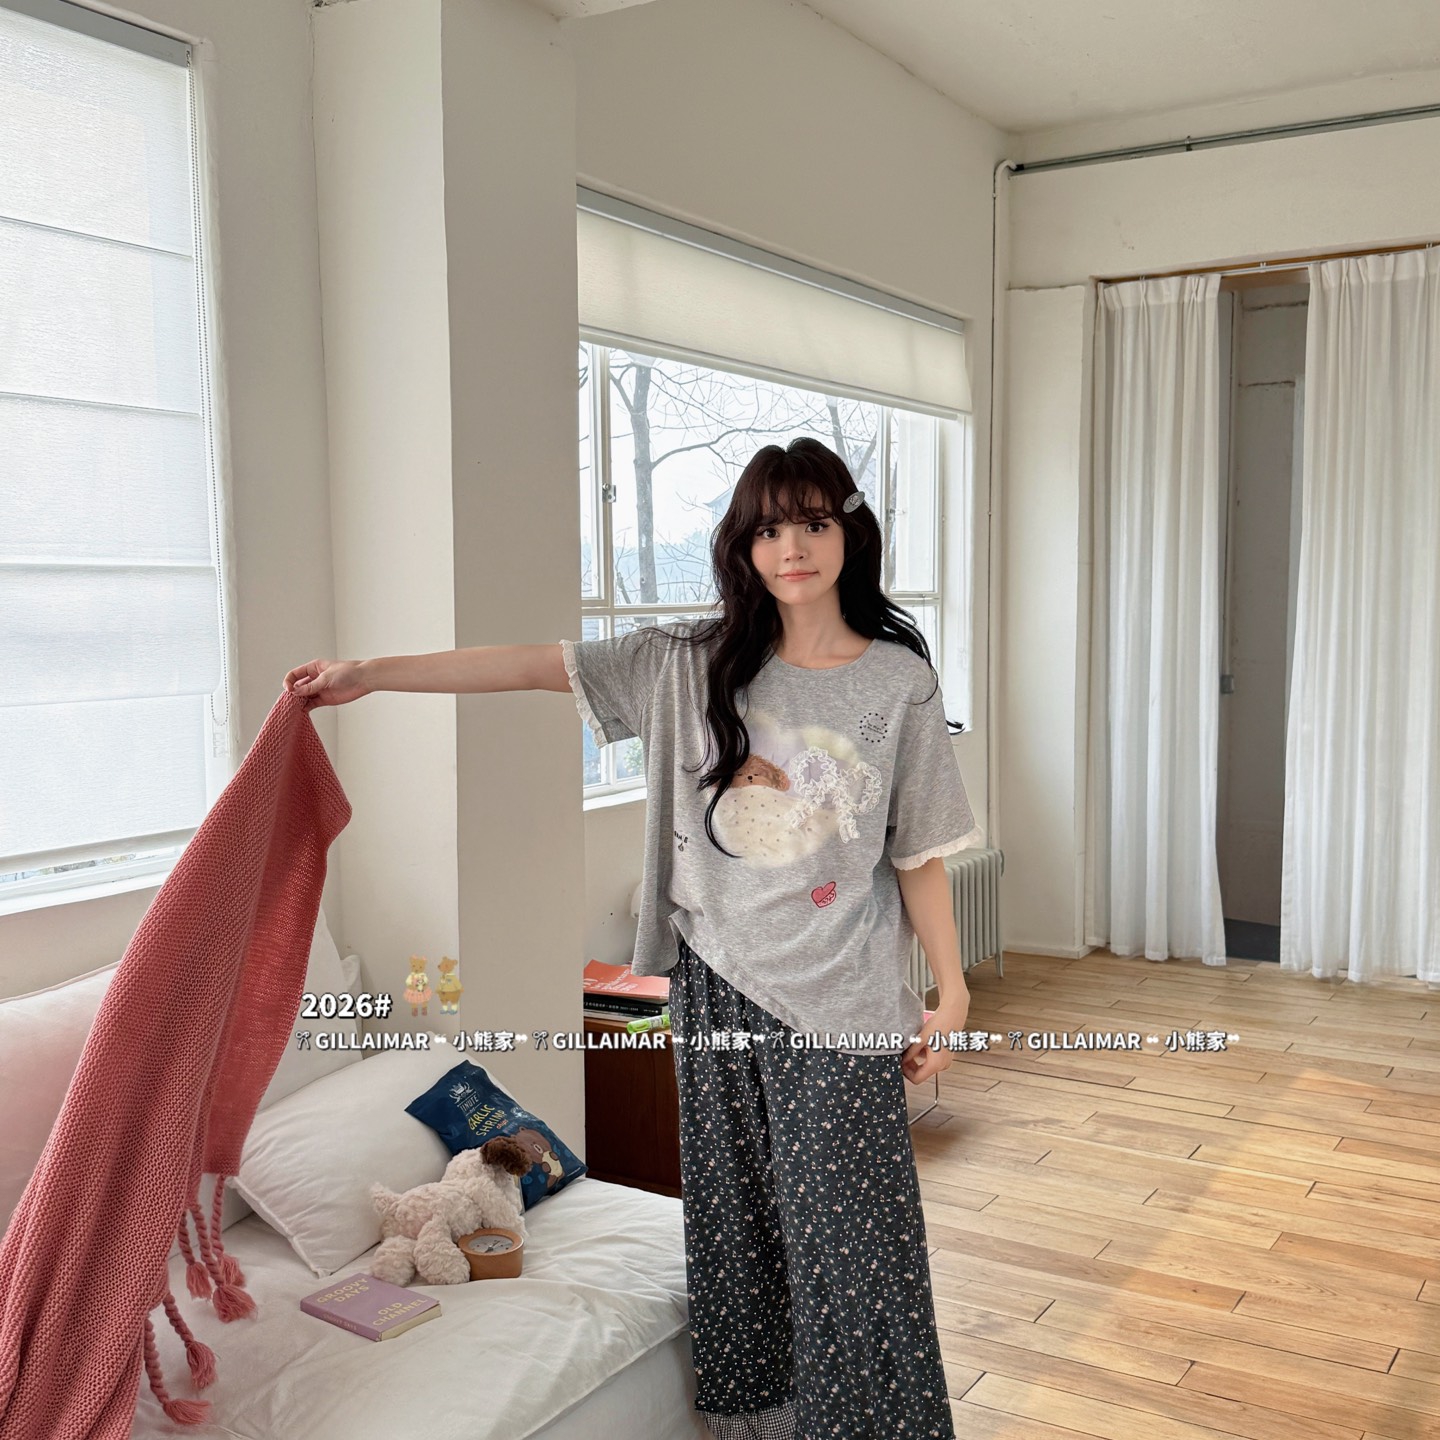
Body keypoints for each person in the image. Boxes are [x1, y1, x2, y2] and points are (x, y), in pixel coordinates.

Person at [284, 436, 977, 1440]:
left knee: (857, 1245)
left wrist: (951, 991)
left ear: (849, 534)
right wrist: (369, 674)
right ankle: (761, 1424)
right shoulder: (684, 662)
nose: (791, 547)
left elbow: (918, 852)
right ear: (742, 546)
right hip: (715, 980)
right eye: (768, 529)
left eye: (813, 523)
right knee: (734, 1223)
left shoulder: (898, 682)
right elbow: (532, 664)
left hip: (843, 995)